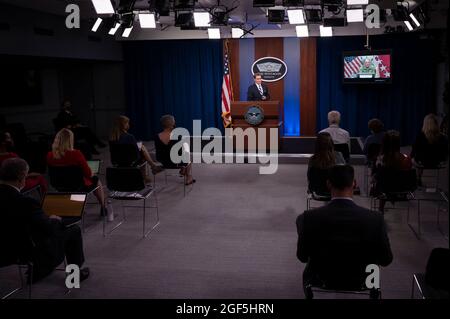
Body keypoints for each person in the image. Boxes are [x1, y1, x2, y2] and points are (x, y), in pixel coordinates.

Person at [296, 165, 393, 294]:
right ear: (354, 183)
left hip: (321, 276)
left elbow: (302, 256)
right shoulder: (376, 219)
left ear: (328, 184)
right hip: (365, 278)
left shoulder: (307, 218)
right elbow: (386, 259)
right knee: (374, 268)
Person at [0, 158, 89, 283]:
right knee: (73, 230)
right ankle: (74, 277)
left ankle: (38, 272)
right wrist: (54, 219)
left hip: (3, 249)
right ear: (21, 177)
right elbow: (49, 229)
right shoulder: (26, 202)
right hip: (22, 251)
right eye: (26, 175)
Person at [47, 128, 107, 216]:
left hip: (59, 185)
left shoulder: (49, 155)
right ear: (70, 140)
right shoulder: (76, 154)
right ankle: (103, 207)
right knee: (96, 180)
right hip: (77, 185)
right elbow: (87, 173)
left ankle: (76, 206)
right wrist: (92, 173)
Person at [109, 115, 163, 180]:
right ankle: (150, 170)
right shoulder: (129, 137)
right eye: (127, 123)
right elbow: (135, 151)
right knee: (143, 151)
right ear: (124, 125)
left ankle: (153, 166)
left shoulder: (111, 138)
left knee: (142, 148)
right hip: (131, 161)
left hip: (116, 161)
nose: (128, 124)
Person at [372, 130, 412, 212]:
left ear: (384, 143)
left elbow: (375, 176)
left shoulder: (380, 159)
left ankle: (381, 209)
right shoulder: (406, 158)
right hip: (402, 189)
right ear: (398, 143)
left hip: (383, 189)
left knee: (380, 181)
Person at [155, 115, 195, 185]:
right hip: (176, 162)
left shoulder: (157, 136)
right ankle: (188, 176)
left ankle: (183, 169)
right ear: (172, 124)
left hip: (163, 161)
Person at [411, 113, 449, 185]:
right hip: (438, 163)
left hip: (422, 163)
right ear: (436, 124)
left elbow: (413, 152)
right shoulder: (443, 138)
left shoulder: (420, 136)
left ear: (425, 124)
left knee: (413, 159)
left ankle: (418, 177)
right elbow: (446, 153)